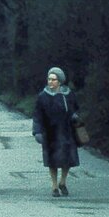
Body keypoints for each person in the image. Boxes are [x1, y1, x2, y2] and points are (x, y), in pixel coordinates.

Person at [32, 66, 80, 197]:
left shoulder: (68, 94)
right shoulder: (42, 96)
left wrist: (75, 116)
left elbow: (75, 108)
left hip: (66, 131)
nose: (50, 82)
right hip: (50, 132)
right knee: (52, 161)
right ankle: (54, 186)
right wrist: (37, 131)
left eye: (53, 79)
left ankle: (63, 182)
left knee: (68, 159)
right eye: (49, 79)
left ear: (60, 81)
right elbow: (37, 115)